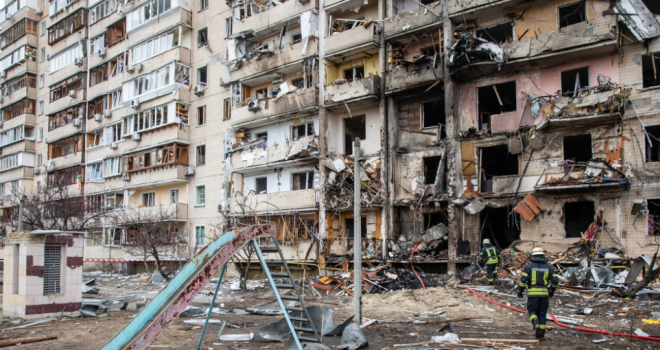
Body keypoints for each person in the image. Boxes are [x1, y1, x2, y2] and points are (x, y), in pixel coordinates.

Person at [517, 247, 559, 340]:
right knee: (542, 313)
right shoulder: (549, 267)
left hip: (532, 294)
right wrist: (551, 291)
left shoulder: (529, 267)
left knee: (532, 311)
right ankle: (541, 335)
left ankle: (535, 323)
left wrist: (520, 291)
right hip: (544, 293)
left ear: (533, 256)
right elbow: (555, 281)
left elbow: (523, 281)